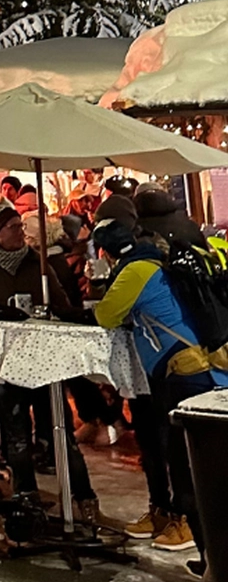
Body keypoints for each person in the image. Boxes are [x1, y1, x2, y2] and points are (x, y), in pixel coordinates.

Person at [0, 202, 96, 534]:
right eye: (12, 228)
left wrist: (52, 309)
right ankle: (26, 496)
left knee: (60, 433)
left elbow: (61, 303)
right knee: (16, 434)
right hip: (6, 363)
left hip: (45, 361)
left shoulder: (39, 263)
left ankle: (84, 497)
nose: (20, 232)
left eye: (21, 226)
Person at [94, 217, 228, 553]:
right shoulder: (158, 260)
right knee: (202, 457)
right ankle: (201, 541)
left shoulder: (135, 271)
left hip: (184, 370)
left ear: (105, 252)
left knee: (185, 461)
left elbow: (105, 316)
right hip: (205, 365)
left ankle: (197, 537)